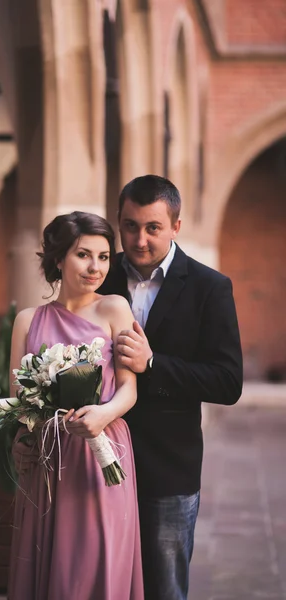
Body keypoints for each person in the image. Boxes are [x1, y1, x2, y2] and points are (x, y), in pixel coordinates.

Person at [98, 174, 243, 600]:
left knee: (165, 589)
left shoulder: (209, 287)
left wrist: (153, 364)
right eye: (129, 226)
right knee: (105, 582)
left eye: (153, 228)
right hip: (98, 460)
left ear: (175, 226)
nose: (139, 240)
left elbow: (227, 381)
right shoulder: (98, 281)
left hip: (168, 467)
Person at [8, 212, 144, 600]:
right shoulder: (26, 320)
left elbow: (128, 390)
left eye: (104, 257)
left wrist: (102, 415)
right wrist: (26, 434)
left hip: (100, 453)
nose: (96, 267)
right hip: (46, 457)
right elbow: (19, 402)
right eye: (84, 255)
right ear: (58, 259)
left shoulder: (114, 308)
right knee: (45, 559)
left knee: (94, 561)